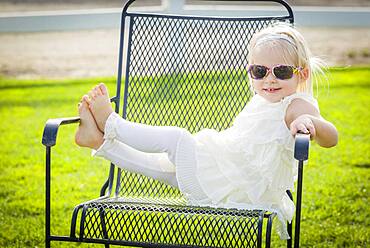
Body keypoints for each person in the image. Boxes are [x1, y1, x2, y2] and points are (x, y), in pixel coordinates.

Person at [74, 23, 338, 239]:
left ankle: (111, 122)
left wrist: (309, 123)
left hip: (230, 192)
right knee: (160, 164)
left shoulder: (296, 105)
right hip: (220, 181)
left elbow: (331, 137)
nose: (269, 79)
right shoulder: (265, 100)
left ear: (301, 75)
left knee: (176, 139)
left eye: (281, 72)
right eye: (259, 71)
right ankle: (98, 142)